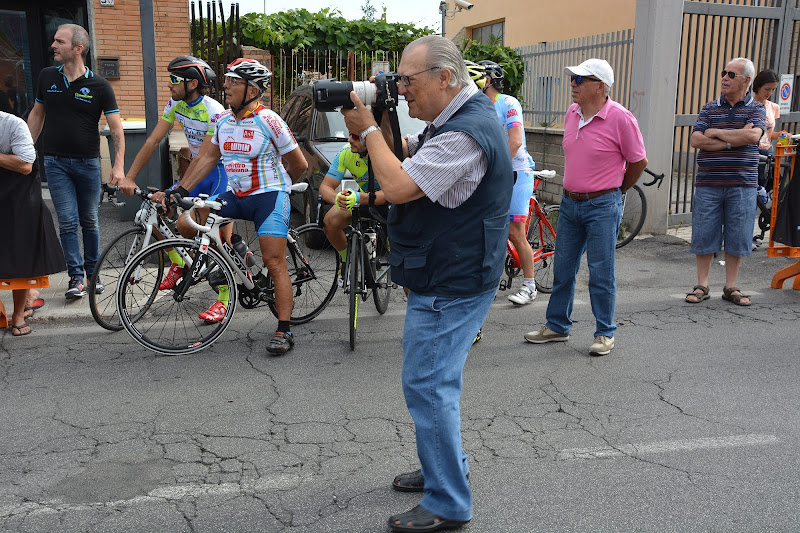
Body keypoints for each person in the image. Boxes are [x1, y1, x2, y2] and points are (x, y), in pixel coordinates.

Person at [342, 35, 513, 532]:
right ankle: (445, 466)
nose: (401, 88)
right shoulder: (457, 122)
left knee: (430, 385)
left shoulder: (465, 132)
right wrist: (381, 129)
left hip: (451, 280)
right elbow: (406, 165)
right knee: (437, 384)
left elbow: (396, 187)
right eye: (397, 80)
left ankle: (448, 502)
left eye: (407, 80)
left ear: (444, 77)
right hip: (451, 271)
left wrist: (370, 129)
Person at [166, 58, 307, 355]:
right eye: (227, 79)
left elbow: (299, 164)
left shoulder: (270, 121)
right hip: (237, 195)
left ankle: (284, 329)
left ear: (252, 89)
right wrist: (181, 190)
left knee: (274, 261)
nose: (225, 85)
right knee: (186, 224)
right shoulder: (222, 121)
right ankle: (236, 262)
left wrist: (279, 192)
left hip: (268, 195)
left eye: (233, 81)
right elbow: (205, 159)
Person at [524, 58, 647, 356]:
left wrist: (617, 190)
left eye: (580, 79)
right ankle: (557, 326)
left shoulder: (621, 118)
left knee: (601, 271)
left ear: (600, 86)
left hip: (603, 205)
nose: (572, 84)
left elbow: (639, 161)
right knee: (563, 268)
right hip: (570, 203)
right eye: (572, 78)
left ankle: (605, 333)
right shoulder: (571, 113)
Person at [119, 56, 231, 322]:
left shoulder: (212, 109)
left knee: (207, 235)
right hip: (196, 172)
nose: (168, 85)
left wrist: (178, 189)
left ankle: (225, 300)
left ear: (192, 83)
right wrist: (129, 177)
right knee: (151, 212)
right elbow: (154, 140)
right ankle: (180, 264)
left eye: (173, 80)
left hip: (219, 175)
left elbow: (206, 156)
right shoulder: (176, 103)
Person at [27, 23, 125, 300]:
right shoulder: (47, 77)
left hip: (88, 163)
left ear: (78, 48)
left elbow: (116, 130)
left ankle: (93, 274)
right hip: (55, 163)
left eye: (59, 41)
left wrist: (117, 166)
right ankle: (76, 277)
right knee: (68, 222)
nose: (53, 46)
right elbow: (36, 116)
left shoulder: (100, 85)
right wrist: (23, 151)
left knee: (90, 220)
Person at [685, 57, 764, 306]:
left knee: (738, 234)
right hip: (709, 182)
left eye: (732, 74)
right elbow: (697, 140)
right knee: (704, 232)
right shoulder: (709, 108)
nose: (725, 78)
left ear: (747, 81)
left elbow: (753, 135)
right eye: (724, 73)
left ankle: (731, 287)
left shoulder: (756, 108)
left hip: (742, 183)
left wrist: (718, 134)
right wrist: (736, 139)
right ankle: (702, 285)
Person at [475, 59, 538, 305]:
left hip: (516, 171)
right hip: (493, 172)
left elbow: (514, 141)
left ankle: (530, 286)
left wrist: (493, 172)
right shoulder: (477, 106)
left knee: (514, 231)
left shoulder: (508, 103)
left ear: (487, 80)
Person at [0, 110, 65, 335]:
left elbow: (26, 165)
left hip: (21, 191)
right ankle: (23, 300)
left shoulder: (13, 125)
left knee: (21, 257)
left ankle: (18, 315)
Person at [318, 133, 386, 275]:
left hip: (389, 202)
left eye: (355, 137)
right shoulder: (346, 152)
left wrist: (359, 197)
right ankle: (346, 260)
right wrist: (337, 198)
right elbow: (325, 187)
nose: (349, 140)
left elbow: (393, 193)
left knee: (399, 243)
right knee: (330, 221)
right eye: (349, 135)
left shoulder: (385, 153)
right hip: (363, 199)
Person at [752, 69, 780, 191]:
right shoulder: (747, 105)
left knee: (765, 189)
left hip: (767, 152)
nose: (770, 92)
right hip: (752, 151)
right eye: (767, 89)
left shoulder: (774, 107)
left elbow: (769, 134)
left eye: (773, 89)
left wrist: (781, 134)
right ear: (758, 86)